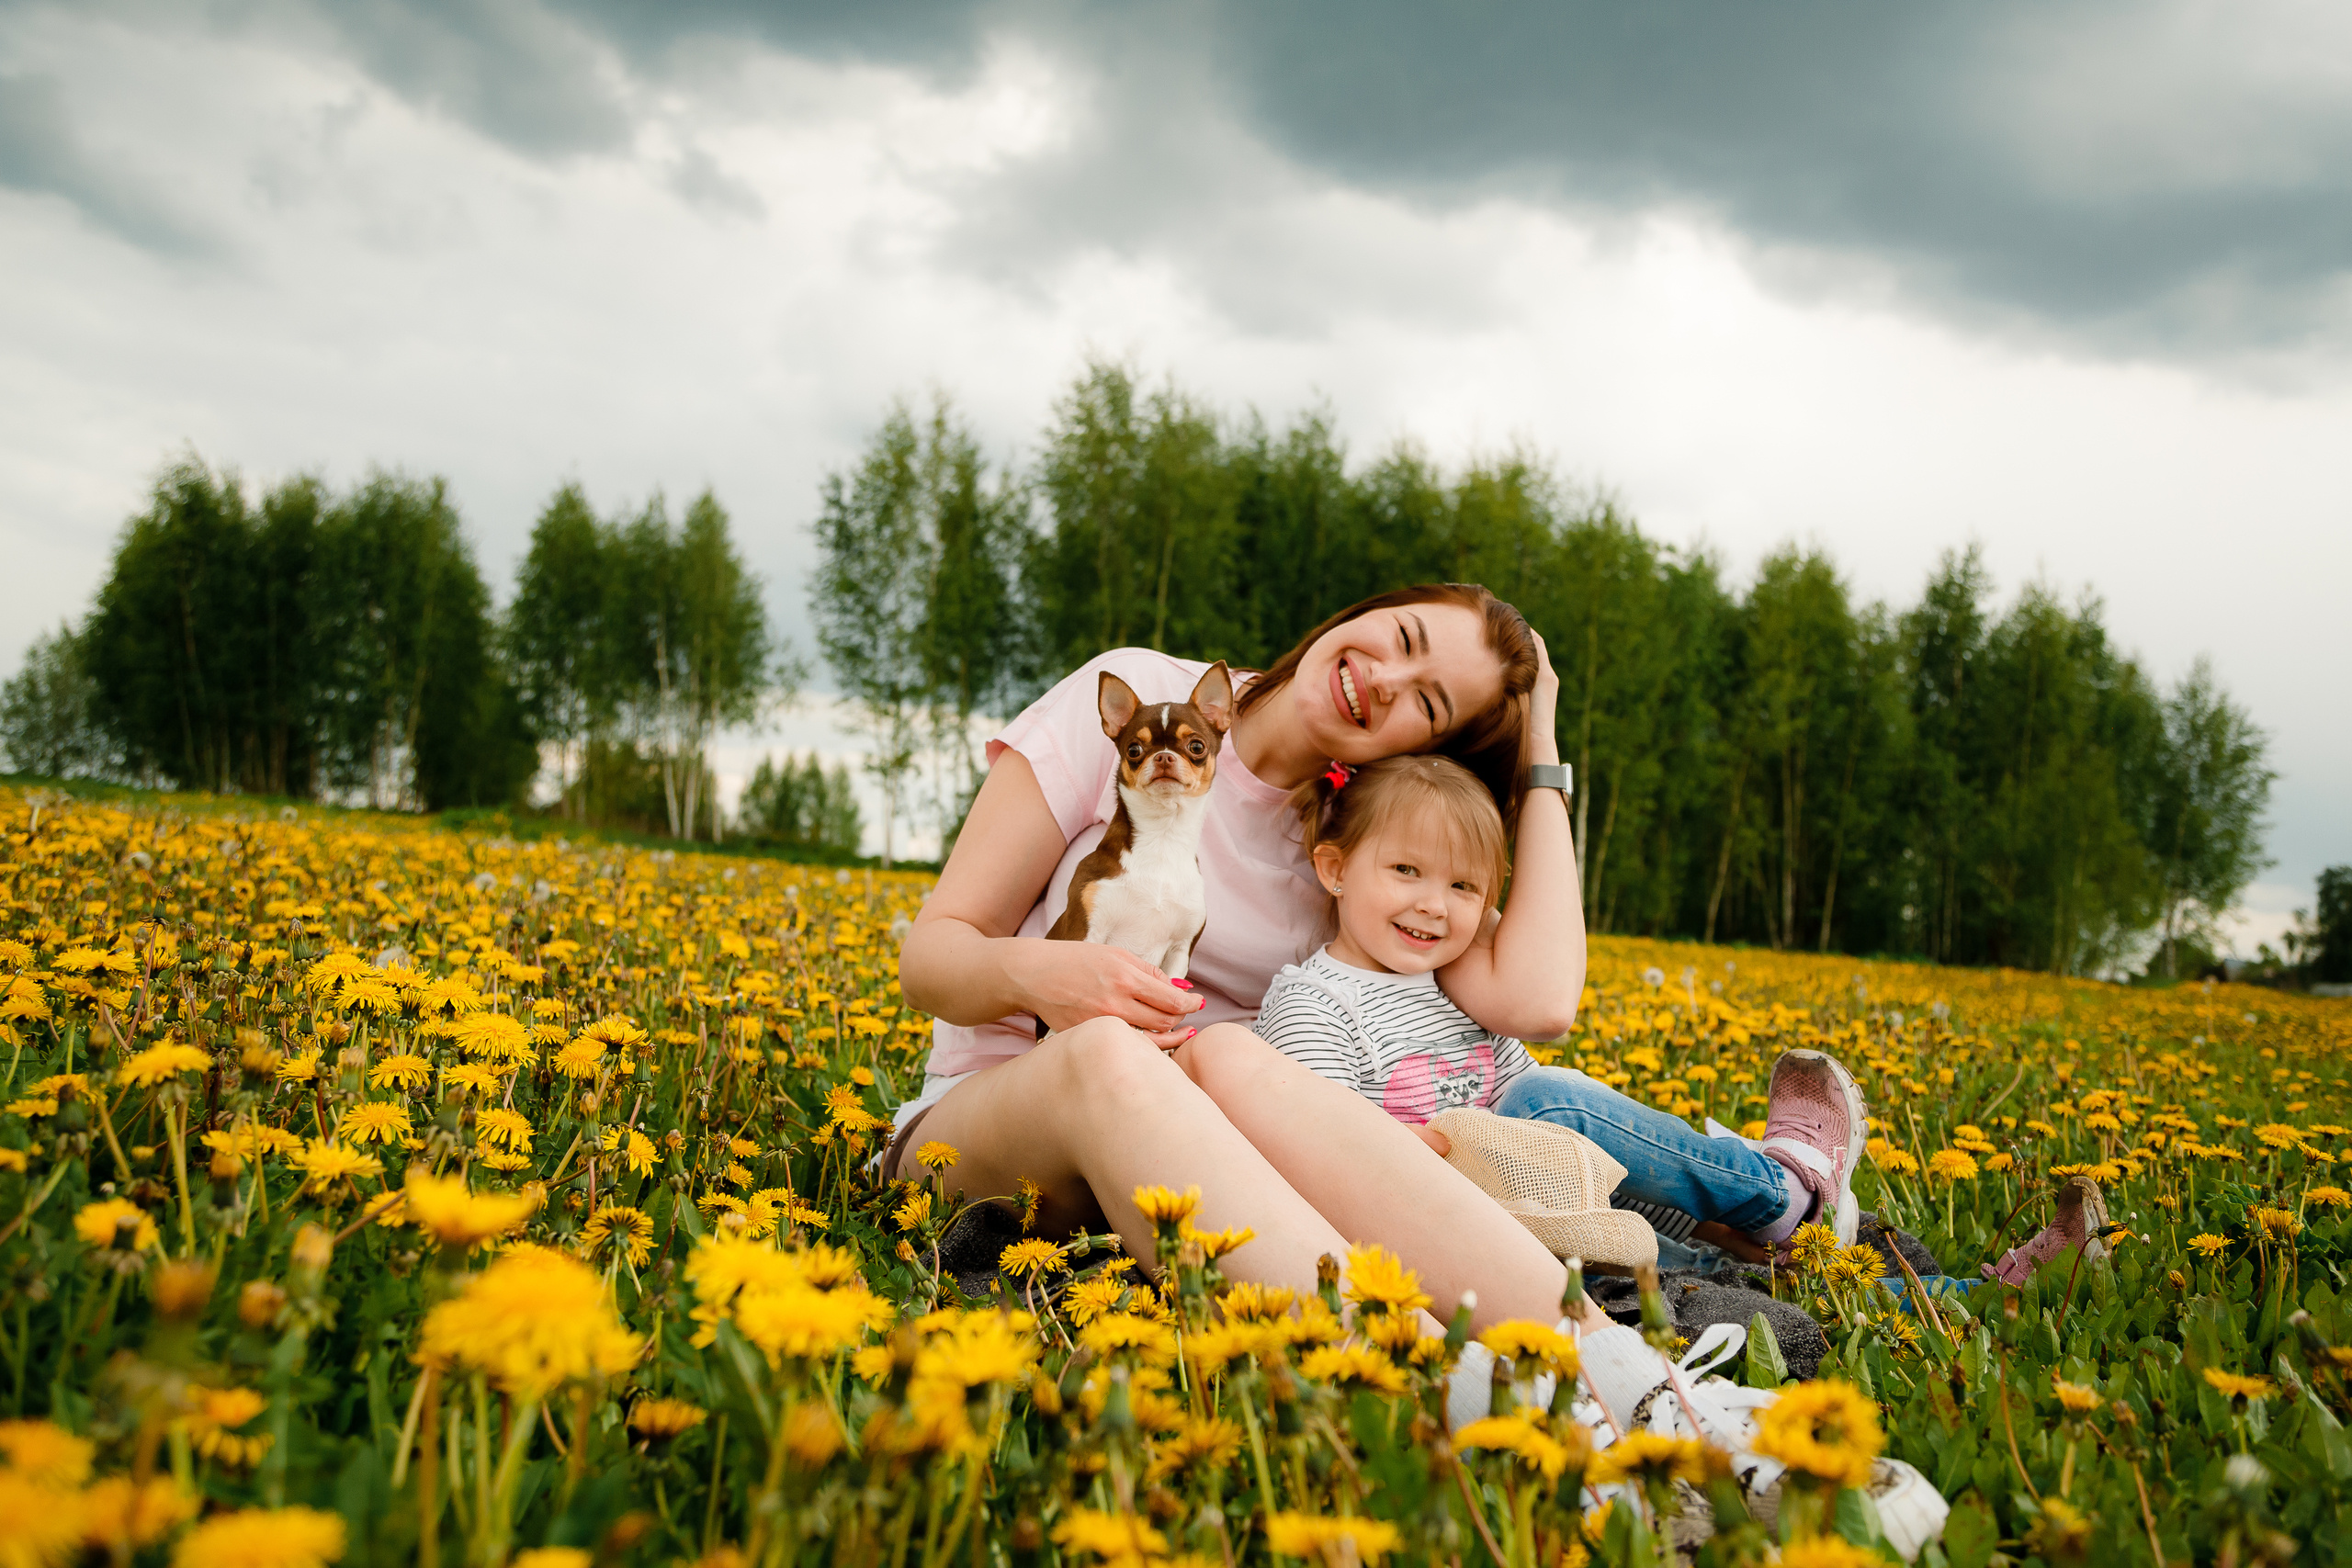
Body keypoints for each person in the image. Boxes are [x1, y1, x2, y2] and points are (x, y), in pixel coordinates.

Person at [898, 584, 1592, 1328]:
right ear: (1365, 610)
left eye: (1428, 703)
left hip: (1199, 1160)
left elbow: (1540, 1001)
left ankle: (1620, 1369)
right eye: (1404, 635)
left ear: (1422, 749)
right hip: (987, 1131)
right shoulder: (1148, 701)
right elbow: (930, 959)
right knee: (1108, 1053)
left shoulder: (1360, 835)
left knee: (1225, 1053)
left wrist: (1540, 746)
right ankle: (1405, 1364)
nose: (1386, 678)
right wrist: (1043, 977)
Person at [1252, 752, 1865, 1258]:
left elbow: (1575, 1154)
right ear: (1334, 868)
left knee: (1708, 1259)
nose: (1435, 904)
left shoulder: (1458, 991)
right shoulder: (1315, 1005)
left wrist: (1700, 1227)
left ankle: (1759, 1247)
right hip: (1442, 1229)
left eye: (1463, 885)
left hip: (1551, 1222)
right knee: (1540, 1101)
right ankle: (1783, 1192)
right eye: (1406, 869)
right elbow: (1328, 1154)